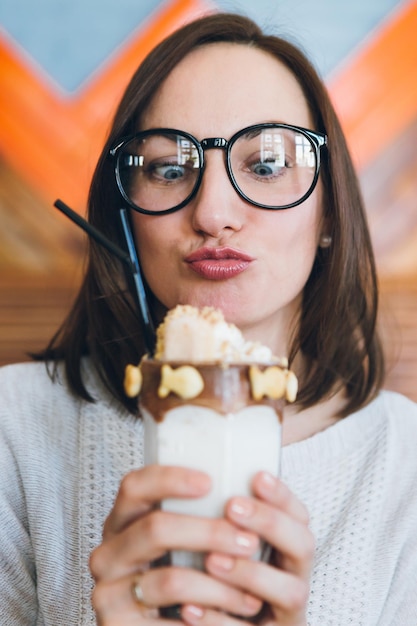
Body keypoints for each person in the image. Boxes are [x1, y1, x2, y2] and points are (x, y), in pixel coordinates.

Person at [1, 11, 417, 626]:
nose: (215, 212)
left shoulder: (404, 462)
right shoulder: (15, 427)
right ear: (125, 217)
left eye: (268, 165)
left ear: (331, 211)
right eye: (170, 169)